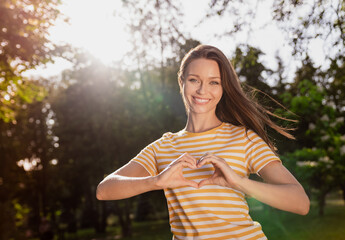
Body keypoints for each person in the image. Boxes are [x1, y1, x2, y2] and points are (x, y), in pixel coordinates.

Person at [96, 45, 310, 240]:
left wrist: (238, 182)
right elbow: (104, 190)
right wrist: (156, 181)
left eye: (213, 82)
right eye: (194, 80)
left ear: (223, 88)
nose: (202, 90)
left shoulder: (244, 138)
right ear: (182, 82)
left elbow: (300, 203)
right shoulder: (162, 147)